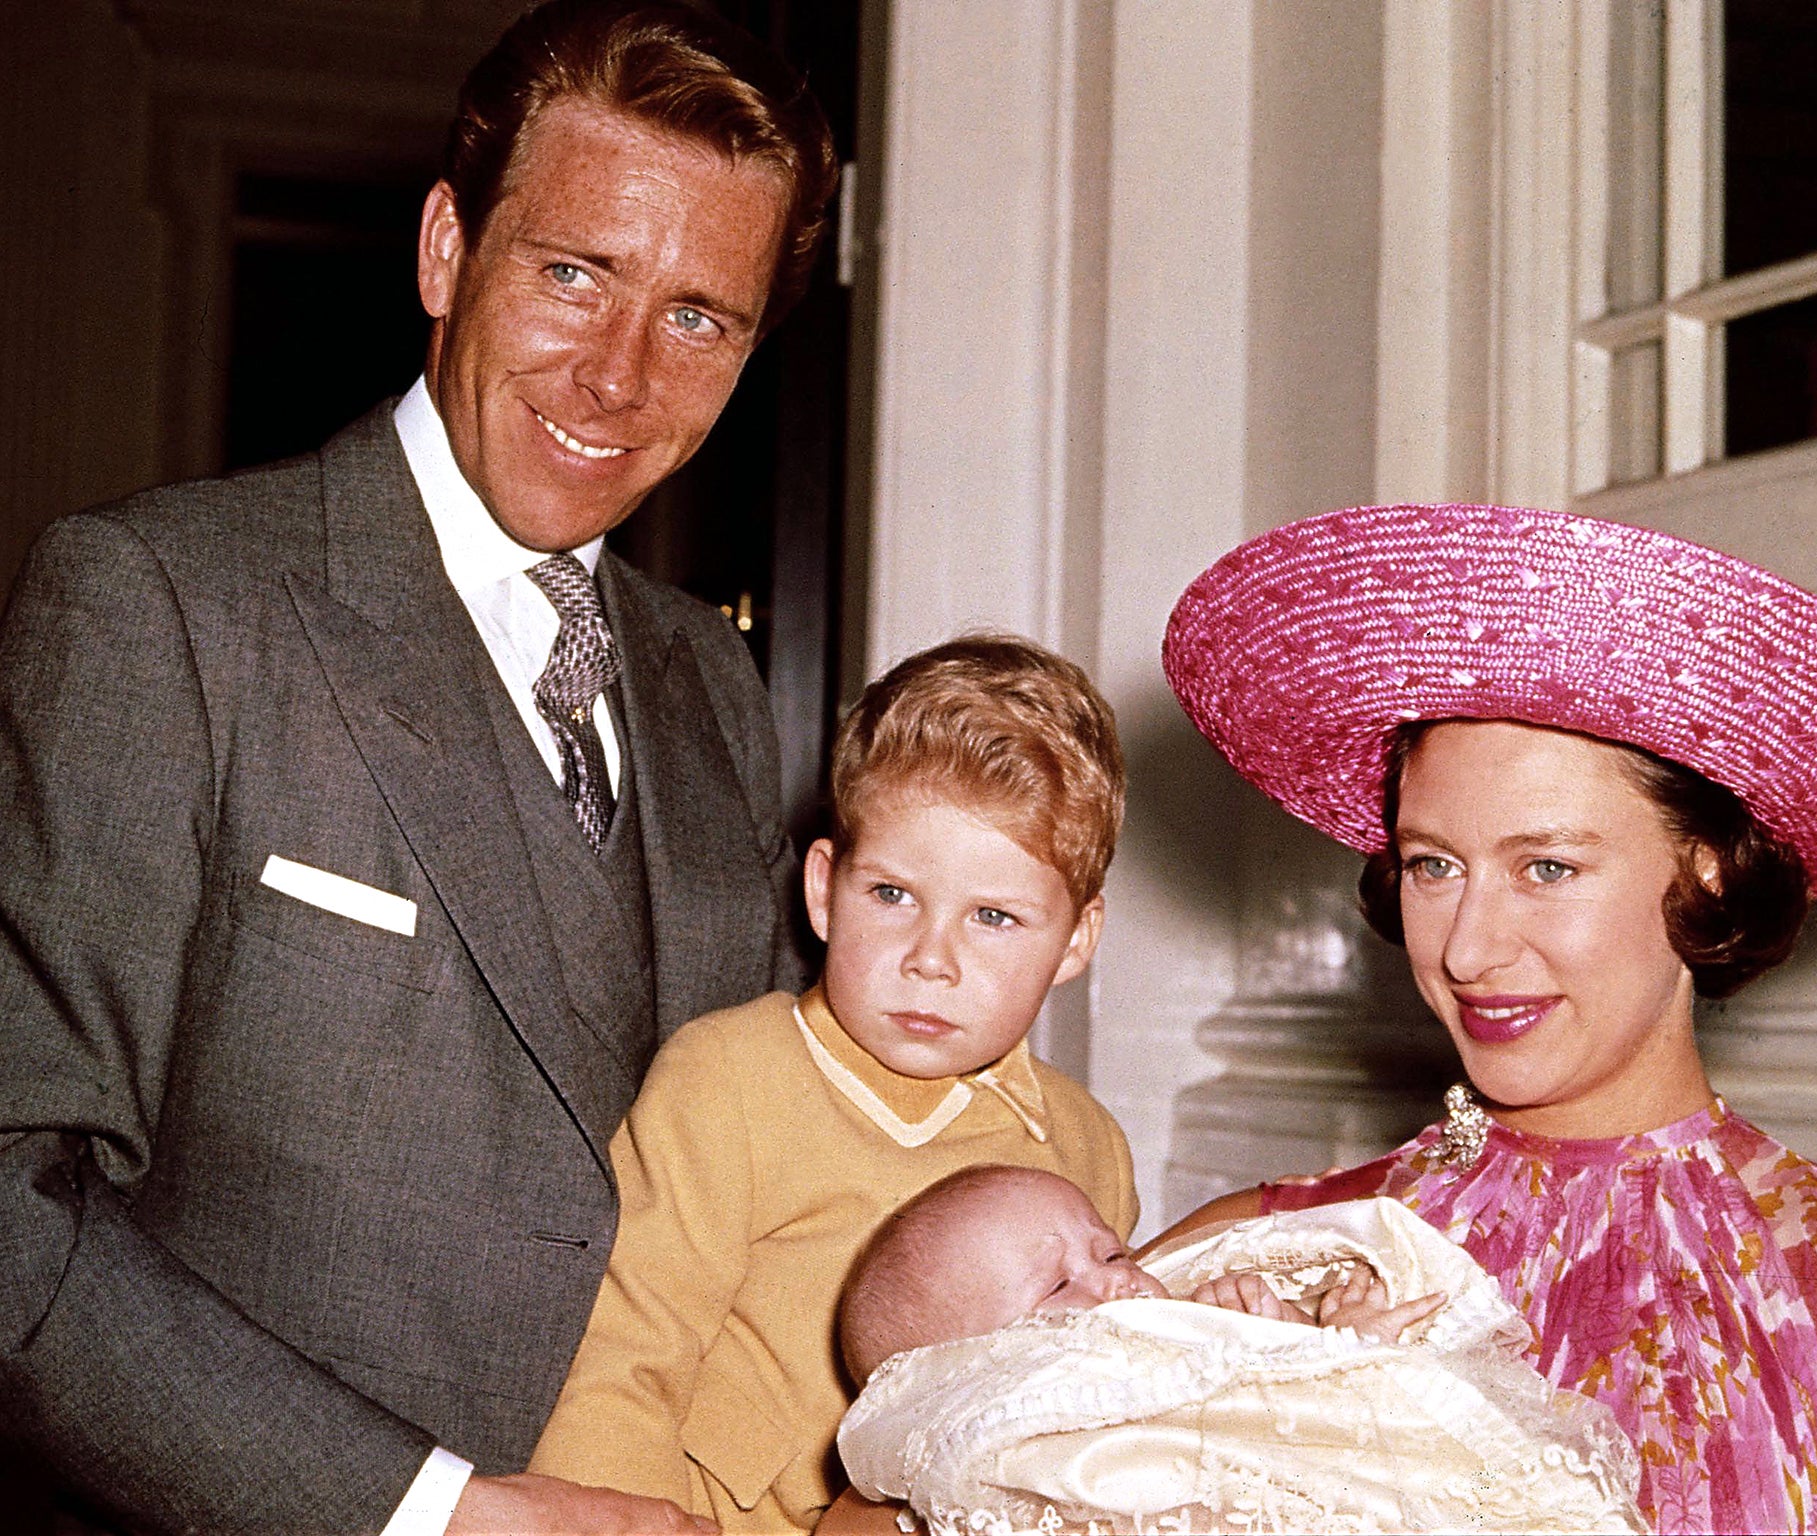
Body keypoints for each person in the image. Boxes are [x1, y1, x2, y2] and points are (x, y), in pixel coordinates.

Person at [0, 3, 836, 1532]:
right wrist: (438, 1511)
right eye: (573, 275)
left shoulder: (714, 684)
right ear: (448, 251)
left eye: (699, 318)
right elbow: (10, 1206)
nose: (618, 377)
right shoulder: (161, 605)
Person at [1150, 502, 1817, 1534]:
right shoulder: (1257, 1259)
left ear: (1701, 867)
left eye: (1546, 867)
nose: (1466, 947)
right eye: (1434, 865)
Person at [525, 635, 1142, 1531]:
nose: (931, 960)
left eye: (995, 917)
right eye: (891, 896)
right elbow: (622, 1359)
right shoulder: (730, 1081)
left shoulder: (1085, 1144)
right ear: (823, 889)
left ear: (1077, 942)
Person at [833, 1165, 1645, 1535]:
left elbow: (1306, 1424)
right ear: (962, 1377)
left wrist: (1308, 1337)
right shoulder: (1013, 1428)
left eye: (1113, 1253)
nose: (1116, 1284)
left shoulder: (1190, 1312)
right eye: (1055, 1290)